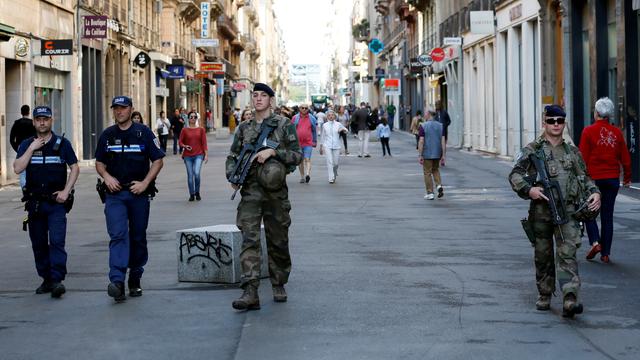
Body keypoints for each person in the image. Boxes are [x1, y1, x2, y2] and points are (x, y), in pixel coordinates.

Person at [508, 104, 601, 318]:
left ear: (564, 123)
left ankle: (570, 297)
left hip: (567, 211)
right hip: (541, 212)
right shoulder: (533, 150)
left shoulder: (572, 152)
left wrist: (595, 193)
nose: (556, 125)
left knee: (567, 253)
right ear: (544, 123)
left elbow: (585, 178)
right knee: (543, 254)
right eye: (551, 121)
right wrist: (529, 189)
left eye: (560, 121)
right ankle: (545, 293)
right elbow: (514, 174)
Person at [226, 83, 302, 311]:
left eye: (263, 96)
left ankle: (278, 282)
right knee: (249, 239)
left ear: (271, 100)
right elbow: (233, 155)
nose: (258, 99)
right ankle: (250, 290)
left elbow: (297, 155)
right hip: (250, 191)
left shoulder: (283, 125)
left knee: (278, 239)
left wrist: (273, 152)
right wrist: (233, 175)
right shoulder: (243, 128)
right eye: (255, 95)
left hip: (275, 193)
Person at [95, 96, 165, 302]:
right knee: (117, 235)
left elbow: (158, 160)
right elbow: (99, 163)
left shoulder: (143, 133)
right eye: (116, 108)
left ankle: (135, 277)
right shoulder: (107, 135)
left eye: (123, 108)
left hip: (138, 194)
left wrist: (144, 183)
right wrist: (106, 177)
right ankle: (117, 281)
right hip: (115, 195)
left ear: (131, 109)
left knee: (137, 236)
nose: (119, 112)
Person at [13, 106, 79, 298]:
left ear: (52, 121)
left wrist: (66, 191)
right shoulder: (26, 144)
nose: (42, 122)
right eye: (39, 119)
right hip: (35, 204)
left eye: (46, 119)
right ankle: (46, 279)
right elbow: (17, 168)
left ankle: (57, 280)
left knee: (57, 241)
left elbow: (74, 168)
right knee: (39, 243)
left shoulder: (62, 143)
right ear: (33, 122)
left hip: (56, 202)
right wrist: (32, 149)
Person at [579, 97, 632, 263]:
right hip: (612, 178)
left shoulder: (588, 131)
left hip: (594, 180)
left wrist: (581, 177)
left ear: (596, 113)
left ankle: (595, 242)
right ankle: (606, 254)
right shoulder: (616, 132)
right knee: (607, 217)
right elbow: (625, 158)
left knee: (590, 213)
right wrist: (627, 178)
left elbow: (582, 158)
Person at [179, 111, 208, 201]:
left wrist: (206, 155)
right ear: (188, 118)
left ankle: (197, 192)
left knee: (196, 173)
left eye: (194, 117)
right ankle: (192, 194)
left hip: (199, 154)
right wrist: (184, 146)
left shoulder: (201, 130)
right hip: (188, 155)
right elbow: (180, 142)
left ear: (196, 118)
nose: (193, 119)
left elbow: (204, 143)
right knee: (190, 175)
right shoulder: (184, 130)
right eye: (191, 117)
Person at [418, 110, 445, 200]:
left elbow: (421, 141)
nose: (424, 115)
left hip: (427, 153)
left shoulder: (423, 126)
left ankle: (430, 193)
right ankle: (438, 185)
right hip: (437, 152)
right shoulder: (440, 126)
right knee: (435, 170)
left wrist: (420, 154)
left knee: (427, 172)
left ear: (429, 114)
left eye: (425, 113)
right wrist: (443, 155)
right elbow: (443, 141)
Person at [10, 104, 36, 188]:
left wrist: (17, 148)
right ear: (29, 112)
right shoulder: (32, 123)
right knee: (32, 168)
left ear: (21, 112)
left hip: (21, 148)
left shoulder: (17, 123)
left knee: (22, 170)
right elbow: (36, 136)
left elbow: (11, 139)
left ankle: (24, 188)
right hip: (31, 148)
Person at [320, 110, 347, 183]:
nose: (331, 116)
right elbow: (323, 136)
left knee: (335, 163)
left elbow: (346, 130)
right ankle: (331, 178)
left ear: (335, 116)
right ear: (327, 117)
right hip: (327, 145)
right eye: (329, 115)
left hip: (336, 146)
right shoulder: (325, 125)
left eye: (332, 115)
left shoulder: (338, 124)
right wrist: (321, 146)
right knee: (329, 161)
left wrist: (342, 129)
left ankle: (334, 173)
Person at [292, 103, 317, 183]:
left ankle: (307, 175)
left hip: (308, 142)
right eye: (302, 108)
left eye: (306, 108)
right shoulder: (295, 118)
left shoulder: (312, 118)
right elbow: (291, 130)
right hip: (298, 143)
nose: (304, 109)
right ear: (299, 109)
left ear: (308, 109)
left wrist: (315, 141)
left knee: (307, 159)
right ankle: (302, 176)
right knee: (300, 160)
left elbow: (314, 130)